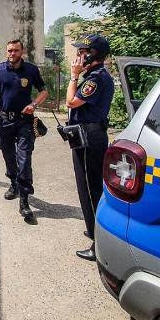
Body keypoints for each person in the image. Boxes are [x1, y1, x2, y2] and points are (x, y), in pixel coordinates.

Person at [0, 39, 48, 219]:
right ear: (6, 52)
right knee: (8, 154)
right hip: (4, 121)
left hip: (25, 121)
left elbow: (43, 91)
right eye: (9, 50)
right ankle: (13, 183)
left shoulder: (31, 70)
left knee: (24, 158)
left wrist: (34, 104)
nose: (12, 53)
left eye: (16, 50)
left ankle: (24, 199)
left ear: (22, 52)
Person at [66, 34, 114, 261]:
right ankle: (93, 227)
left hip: (89, 136)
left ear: (93, 54)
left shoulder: (95, 78)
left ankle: (99, 243)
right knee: (86, 185)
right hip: (85, 134)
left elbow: (72, 102)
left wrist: (73, 76)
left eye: (82, 51)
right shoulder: (94, 76)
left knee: (90, 187)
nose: (77, 55)